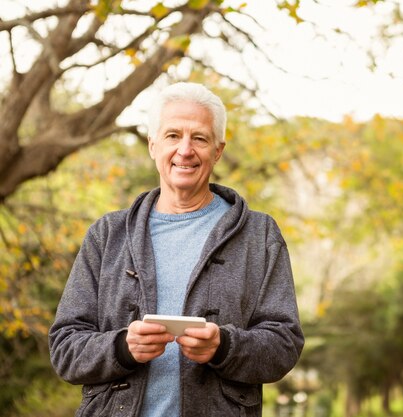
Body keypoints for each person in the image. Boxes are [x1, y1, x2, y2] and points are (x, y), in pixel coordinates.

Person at [49, 82, 305, 417]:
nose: (185, 150)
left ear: (218, 150)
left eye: (199, 137)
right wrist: (123, 348)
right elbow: (65, 348)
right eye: (172, 136)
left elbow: (283, 344)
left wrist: (223, 346)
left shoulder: (259, 235)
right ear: (153, 146)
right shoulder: (107, 235)